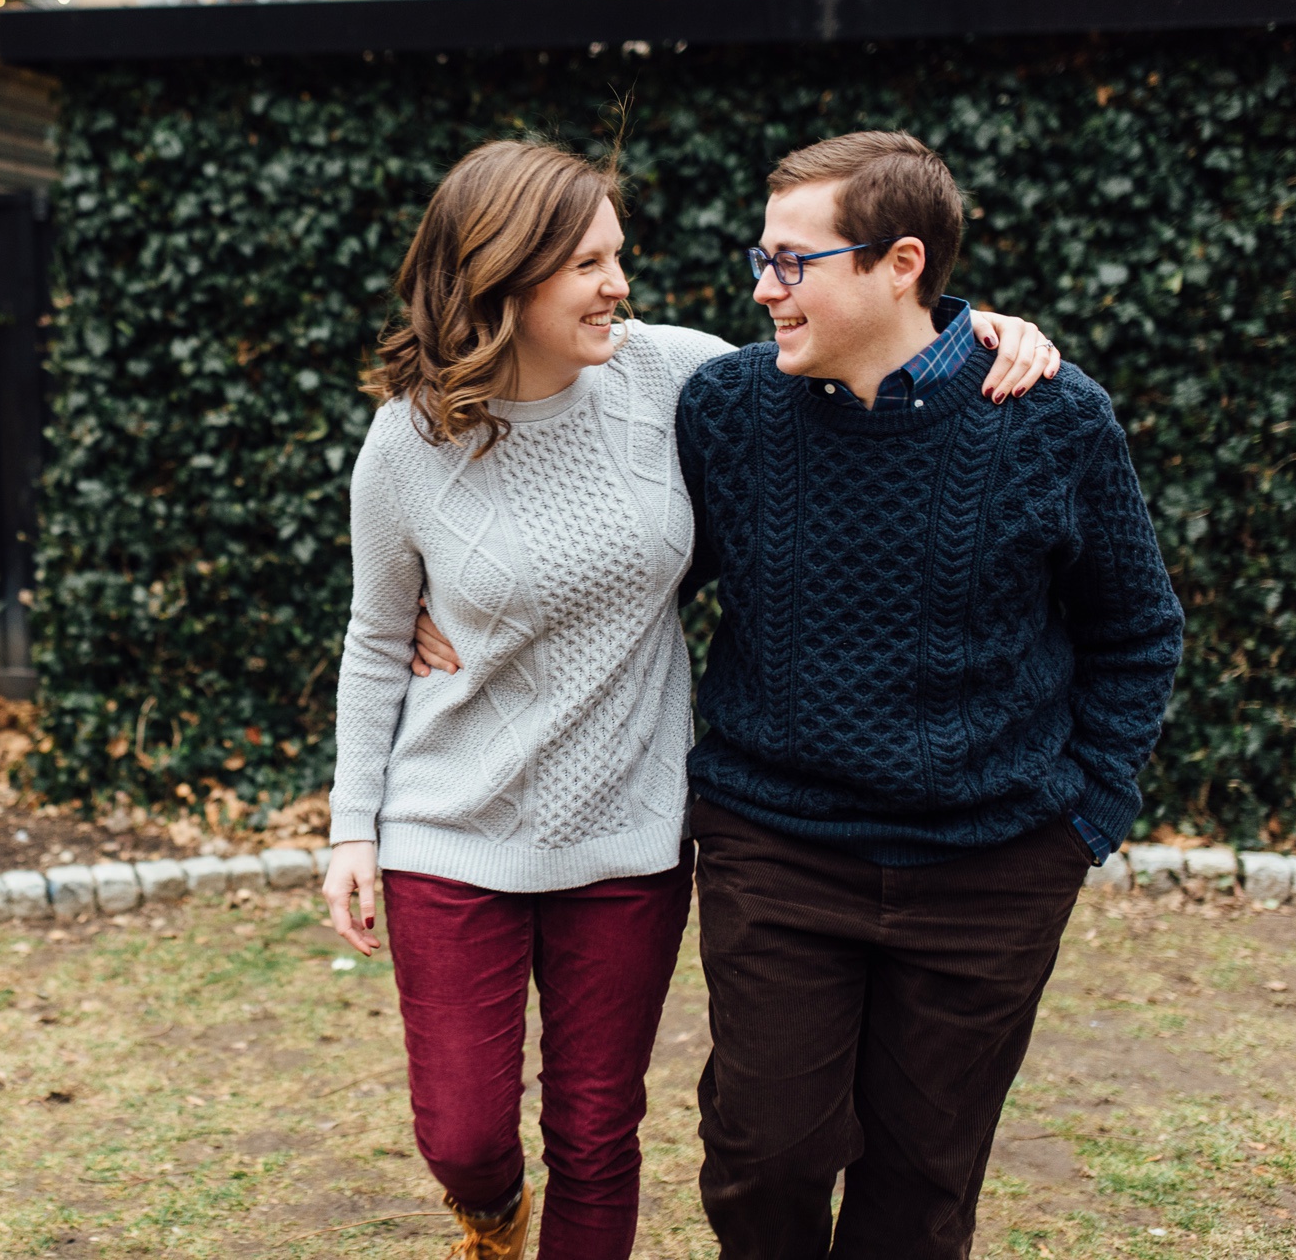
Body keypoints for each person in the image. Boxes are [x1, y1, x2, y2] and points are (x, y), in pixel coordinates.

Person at [323, 135, 1061, 1260]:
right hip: (449, 827)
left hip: (629, 827)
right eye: (587, 265)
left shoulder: (672, 374)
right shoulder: (408, 442)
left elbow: (867, 344)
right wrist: (350, 826)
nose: (620, 284)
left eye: (618, 256)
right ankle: (485, 1211)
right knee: (464, 1131)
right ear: (503, 274)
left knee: (596, 1129)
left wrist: (986, 331)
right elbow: (378, 639)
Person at [670, 132, 1183, 1259]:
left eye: (791, 261)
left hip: (989, 867)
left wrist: (1083, 816)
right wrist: (447, 603)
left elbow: (1135, 626)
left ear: (898, 262)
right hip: (779, 845)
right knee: (763, 1158)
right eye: (759, 254)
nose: (760, 285)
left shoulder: (1051, 415)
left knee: (919, 1188)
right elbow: (630, 564)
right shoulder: (723, 408)